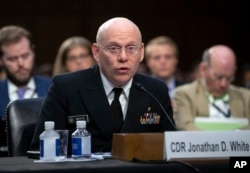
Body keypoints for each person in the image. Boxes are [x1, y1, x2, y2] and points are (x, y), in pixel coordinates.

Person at [30, 17, 175, 154]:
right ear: (96, 52)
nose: (123, 57)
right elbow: (41, 150)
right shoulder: (65, 88)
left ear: (141, 52)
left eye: (131, 48)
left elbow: (172, 148)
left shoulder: (155, 90)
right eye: (114, 48)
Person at [0, 25, 51, 156]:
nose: (21, 63)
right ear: (1, 60)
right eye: (12, 59)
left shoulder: (54, 88)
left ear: (33, 52)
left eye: (25, 55)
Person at [173, 44, 250, 130]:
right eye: (218, 77)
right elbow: (185, 127)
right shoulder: (184, 95)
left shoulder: (246, 97)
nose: (223, 84)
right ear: (203, 69)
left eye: (229, 78)